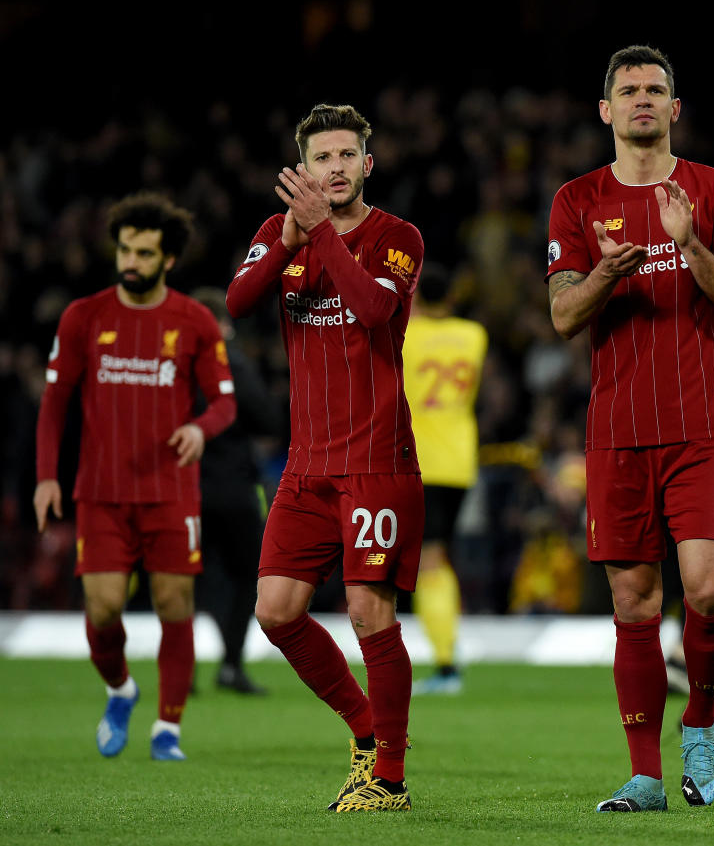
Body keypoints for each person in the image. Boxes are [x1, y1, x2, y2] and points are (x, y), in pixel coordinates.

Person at [546, 45, 714, 812]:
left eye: (657, 89)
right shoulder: (576, 199)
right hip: (617, 432)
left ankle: (699, 721)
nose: (643, 98)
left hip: (703, 426)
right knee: (634, 603)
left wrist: (689, 243)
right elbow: (564, 315)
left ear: (675, 108)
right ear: (605, 110)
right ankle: (645, 774)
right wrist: (608, 270)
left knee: (705, 593)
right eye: (628, 90)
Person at [225, 103, 425, 811]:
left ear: (368, 164)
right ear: (302, 168)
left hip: (376, 458)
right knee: (276, 611)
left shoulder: (397, 237)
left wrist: (320, 237)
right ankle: (366, 727)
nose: (335, 168)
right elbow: (240, 299)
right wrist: (284, 240)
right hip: (307, 464)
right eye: (321, 158)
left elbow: (373, 310)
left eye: (347, 155)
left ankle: (390, 779)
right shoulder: (279, 235)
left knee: (371, 612)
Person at [33, 192, 237, 761]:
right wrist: (47, 476)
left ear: (167, 259)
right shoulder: (83, 316)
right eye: (125, 249)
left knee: (175, 603)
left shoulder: (193, 321)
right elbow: (55, 401)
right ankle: (121, 688)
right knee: (101, 609)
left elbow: (225, 403)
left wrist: (200, 429)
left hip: (171, 491)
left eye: (145, 253)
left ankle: (167, 729)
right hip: (100, 491)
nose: (131, 261)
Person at [191, 286, 284, 695]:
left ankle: (180, 671)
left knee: (184, 578)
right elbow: (265, 416)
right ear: (224, 325)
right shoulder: (230, 361)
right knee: (249, 573)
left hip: (183, 488)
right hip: (232, 487)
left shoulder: (174, 364)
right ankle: (231, 664)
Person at [402, 263, 487, 695]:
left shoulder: (405, 336)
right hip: (459, 460)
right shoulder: (474, 336)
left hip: (420, 459)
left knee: (428, 561)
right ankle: (446, 658)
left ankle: (447, 664)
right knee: (436, 557)